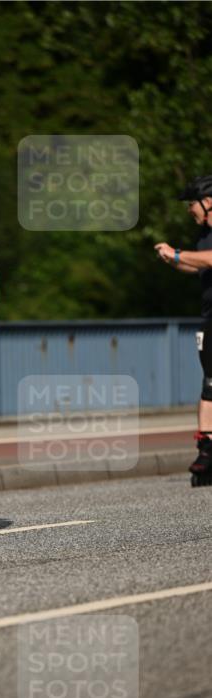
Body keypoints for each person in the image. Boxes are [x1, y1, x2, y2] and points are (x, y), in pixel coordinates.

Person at [155, 174, 212, 486]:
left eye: (192, 203)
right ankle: (207, 450)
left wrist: (178, 253)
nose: (190, 209)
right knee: (209, 384)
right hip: (209, 319)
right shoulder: (204, 235)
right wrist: (172, 260)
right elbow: (198, 264)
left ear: (209, 201)